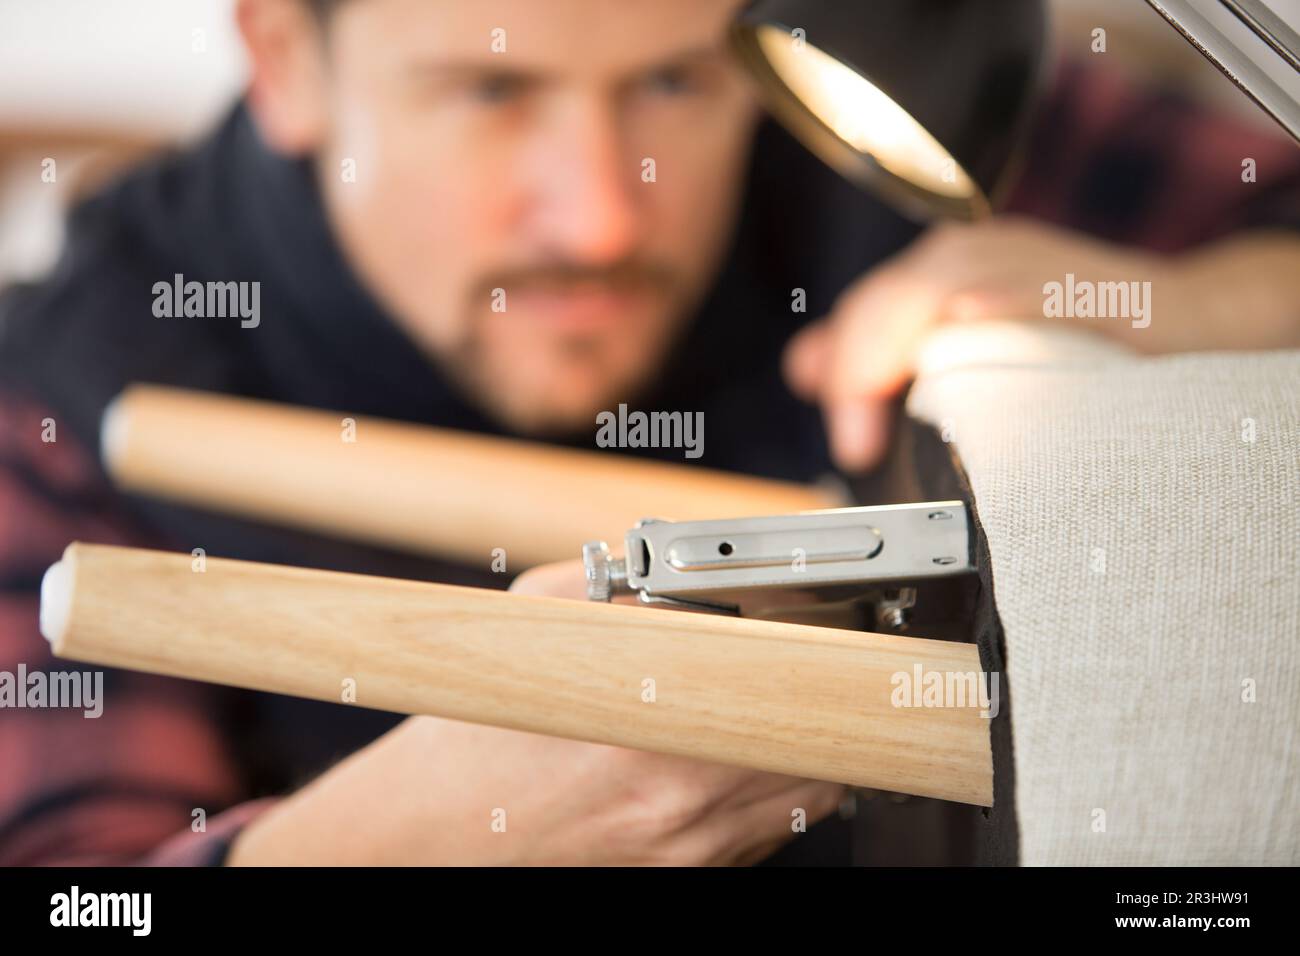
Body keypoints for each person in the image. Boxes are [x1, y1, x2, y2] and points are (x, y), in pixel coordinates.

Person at [1, 0, 1297, 865]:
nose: (603, 221)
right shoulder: (75, 381)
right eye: (492, 90)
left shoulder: (859, 90)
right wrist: (410, 841)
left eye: (672, 81)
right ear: (285, 57)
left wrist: (1184, 306)